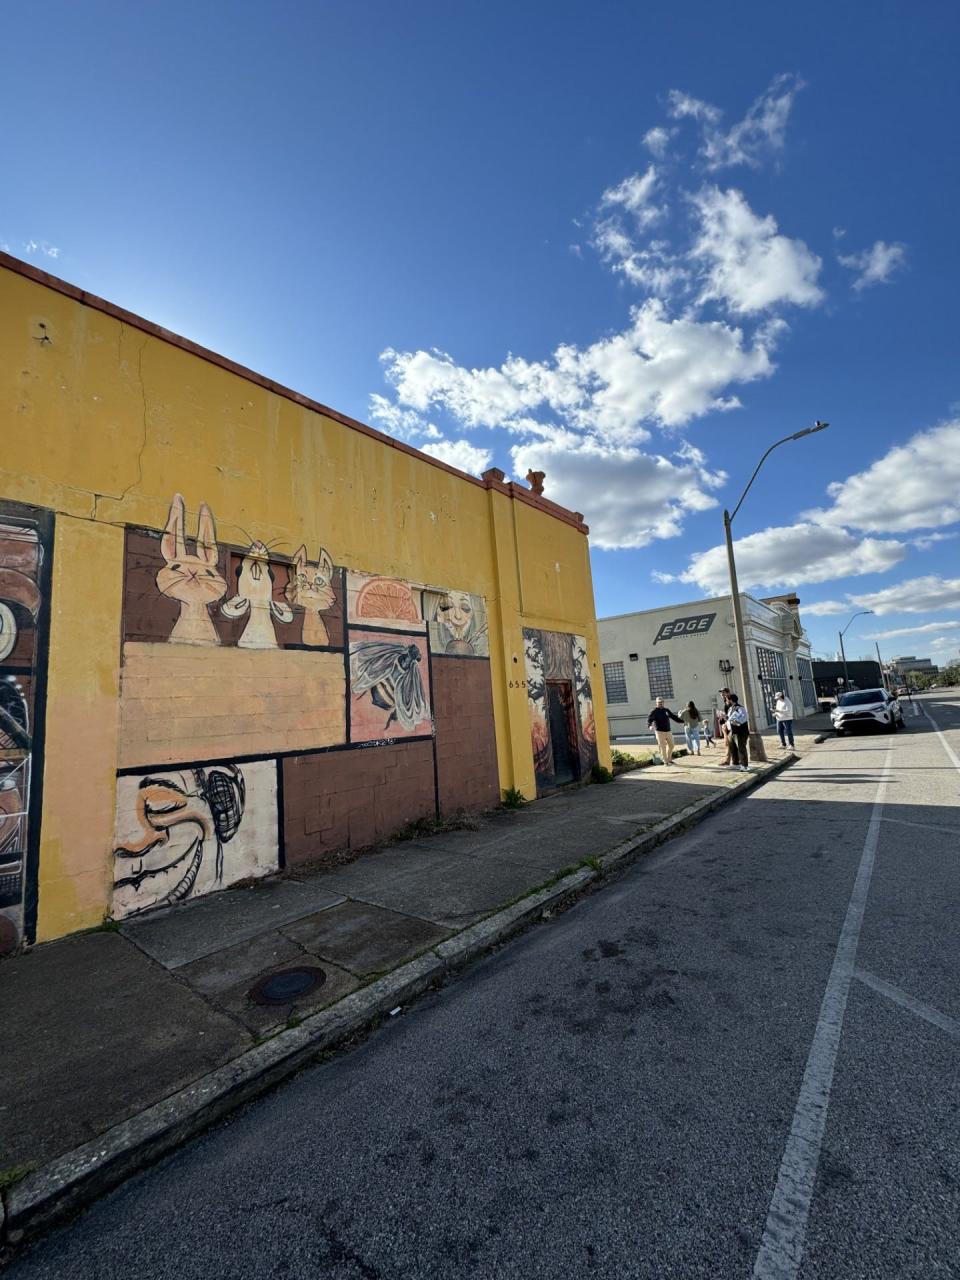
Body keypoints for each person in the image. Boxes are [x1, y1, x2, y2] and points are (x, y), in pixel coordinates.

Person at [647, 696, 683, 765]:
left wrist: (682, 721)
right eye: (659, 702)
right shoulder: (654, 711)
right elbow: (649, 720)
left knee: (672, 745)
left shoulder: (666, 710)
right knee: (663, 747)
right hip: (659, 732)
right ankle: (665, 761)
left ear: (663, 702)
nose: (660, 703)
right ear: (656, 703)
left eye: (662, 702)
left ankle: (669, 759)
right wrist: (650, 726)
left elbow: (673, 717)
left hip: (668, 731)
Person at [725, 694, 750, 771]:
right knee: (733, 748)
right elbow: (730, 719)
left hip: (740, 732)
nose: (726, 701)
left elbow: (745, 717)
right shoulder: (730, 708)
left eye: (727, 699)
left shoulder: (740, 708)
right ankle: (736, 764)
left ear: (731, 700)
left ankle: (744, 766)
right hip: (732, 731)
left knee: (741, 748)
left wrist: (737, 722)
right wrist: (724, 718)